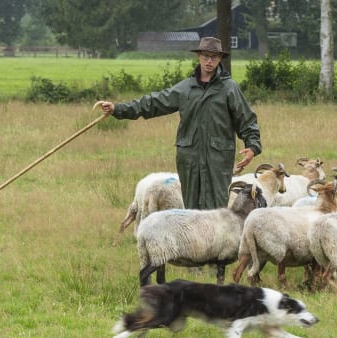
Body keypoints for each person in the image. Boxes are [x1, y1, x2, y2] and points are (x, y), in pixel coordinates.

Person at [95, 37, 262, 210]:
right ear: (199, 57)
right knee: (190, 211)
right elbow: (153, 103)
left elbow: (247, 119)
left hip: (218, 162)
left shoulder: (229, 88)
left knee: (216, 212)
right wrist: (117, 109)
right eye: (205, 56)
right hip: (189, 160)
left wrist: (252, 146)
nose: (209, 61)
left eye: (213, 57)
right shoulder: (185, 89)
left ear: (220, 59)